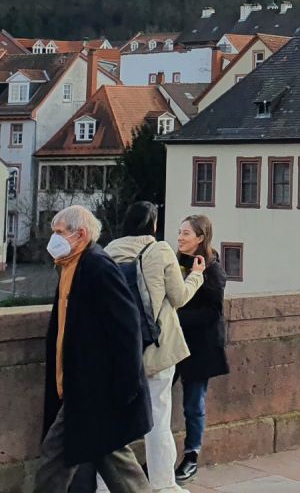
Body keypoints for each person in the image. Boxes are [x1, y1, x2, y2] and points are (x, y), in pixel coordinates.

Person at [36, 205, 152, 493]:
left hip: (94, 390)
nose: (54, 238)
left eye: (60, 232)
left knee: (56, 456)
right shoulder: (71, 265)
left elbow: (128, 329)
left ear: (81, 234)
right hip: (86, 389)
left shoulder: (97, 266)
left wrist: (126, 386)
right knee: (109, 455)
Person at [105, 202, 204, 493]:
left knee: (113, 422)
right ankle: (163, 485)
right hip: (156, 349)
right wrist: (196, 275)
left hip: (118, 352)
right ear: (153, 225)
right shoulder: (159, 250)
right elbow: (179, 297)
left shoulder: (108, 252)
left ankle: (106, 486)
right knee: (158, 418)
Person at [173, 216, 228, 484]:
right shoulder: (176, 261)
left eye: (186, 233)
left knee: (193, 404)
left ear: (200, 238)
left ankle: (191, 457)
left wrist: (175, 317)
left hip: (200, 346)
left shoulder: (213, 269)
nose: (180, 237)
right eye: (179, 232)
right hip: (173, 343)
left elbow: (213, 312)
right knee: (158, 399)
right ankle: (161, 455)